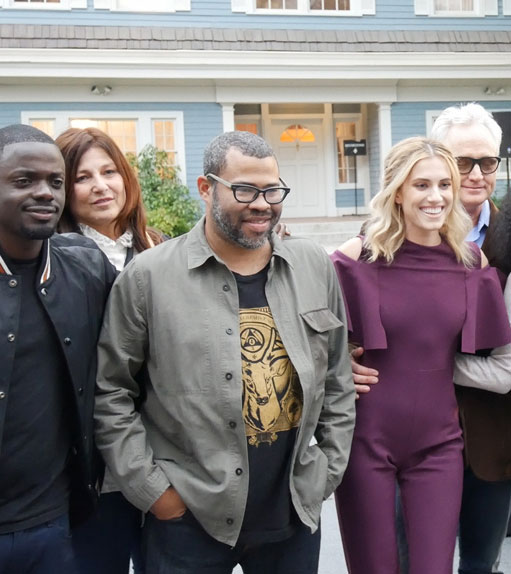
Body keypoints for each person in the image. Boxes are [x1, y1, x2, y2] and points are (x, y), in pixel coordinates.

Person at [93, 130, 356, 574]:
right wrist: (155, 492)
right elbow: (110, 392)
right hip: (188, 517)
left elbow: (338, 378)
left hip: (293, 513)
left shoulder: (314, 266)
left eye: (272, 190)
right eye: (245, 189)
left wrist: (327, 470)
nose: (262, 203)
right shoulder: (149, 277)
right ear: (205, 188)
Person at [330, 136, 511, 574]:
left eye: (444, 185)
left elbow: (501, 360)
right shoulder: (357, 257)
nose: (436, 197)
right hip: (365, 443)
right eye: (422, 185)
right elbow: (313, 342)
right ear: (396, 191)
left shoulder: (471, 262)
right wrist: (336, 368)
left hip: (440, 446)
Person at [0, 124, 116, 573]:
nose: (45, 193)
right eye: (24, 181)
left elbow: (158, 330)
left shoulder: (86, 267)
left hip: (55, 524)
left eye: (55, 182)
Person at [55, 127, 166, 574]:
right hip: (97, 469)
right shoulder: (52, 259)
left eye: (109, 171)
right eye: (82, 177)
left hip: (167, 456)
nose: (101, 186)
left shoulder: (159, 249)